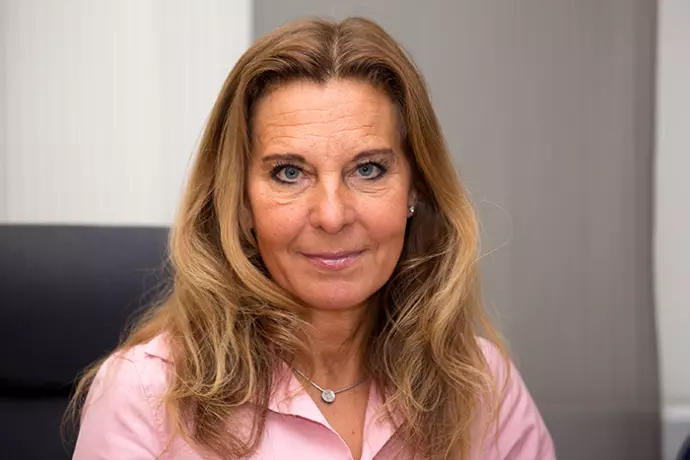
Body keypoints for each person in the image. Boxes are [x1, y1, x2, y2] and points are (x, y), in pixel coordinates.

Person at [69, 17, 555, 460]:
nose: (332, 215)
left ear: (415, 188)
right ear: (240, 203)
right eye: (289, 173)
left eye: (368, 169)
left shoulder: (483, 386)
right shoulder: (145, 395)